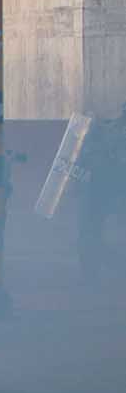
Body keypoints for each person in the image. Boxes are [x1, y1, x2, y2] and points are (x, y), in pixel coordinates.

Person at [79, 104, 126, 282]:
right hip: (100, 190)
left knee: (89, 233)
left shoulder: (111, 134)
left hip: (108, 189)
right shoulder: (107, 136)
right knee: (89, 234)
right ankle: (93, 271)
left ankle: (94, 271)